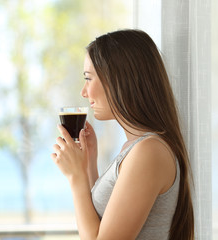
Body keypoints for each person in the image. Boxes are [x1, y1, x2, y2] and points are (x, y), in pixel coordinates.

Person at [51, 29, 194, 240]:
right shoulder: (135, 147)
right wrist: (89, 162)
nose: (84, 92)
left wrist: (76, 178)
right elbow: (101, 223)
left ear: (118, 79)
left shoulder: (149, 151)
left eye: (88, 79)